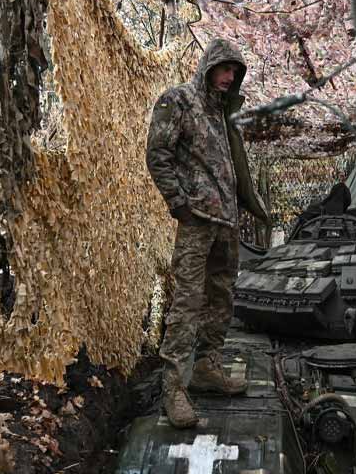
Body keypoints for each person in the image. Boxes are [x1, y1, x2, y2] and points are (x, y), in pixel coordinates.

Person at [145, 38, 270, 429]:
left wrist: (245, 205)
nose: (230, 76)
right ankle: (174, 389)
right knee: (187, 301)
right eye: (225, 68)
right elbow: (157, 154)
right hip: (197, 220)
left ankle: (206, 367)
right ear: (209, 66)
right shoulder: (178, 100)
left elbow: (231, 166)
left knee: (221, 298)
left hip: (226, 222)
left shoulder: (223, 112)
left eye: (235, 71)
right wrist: (178, 203)